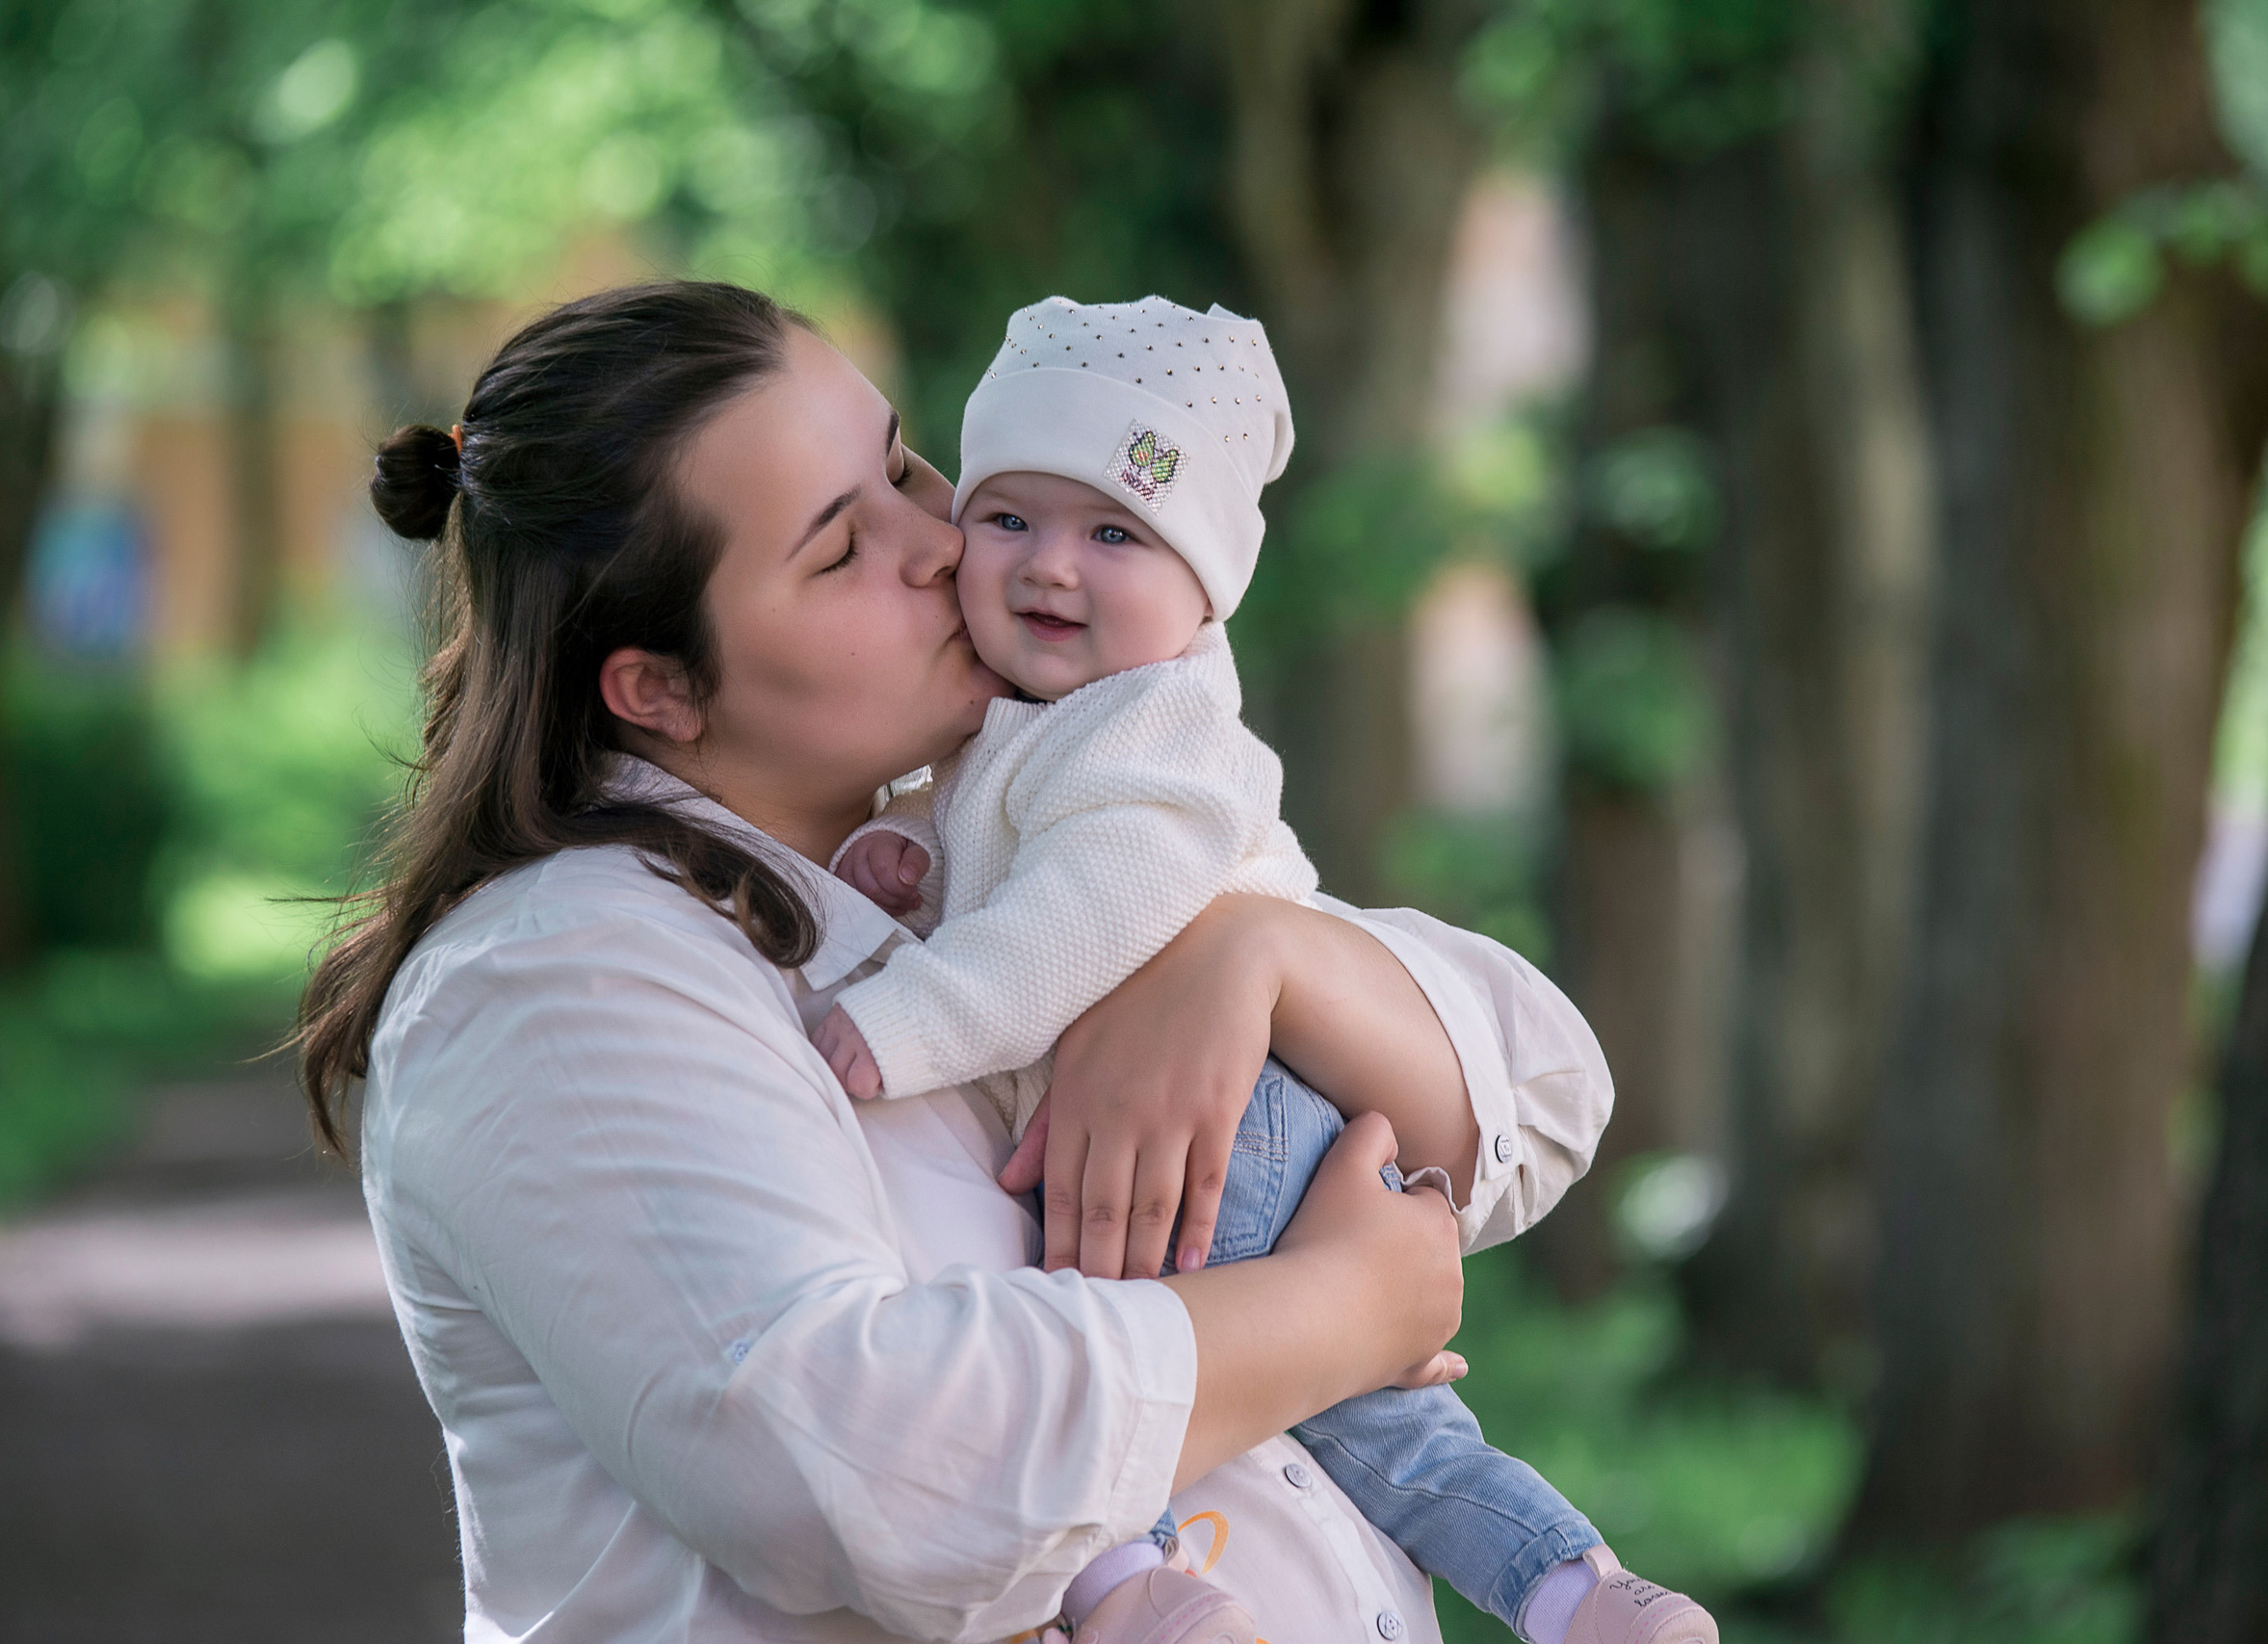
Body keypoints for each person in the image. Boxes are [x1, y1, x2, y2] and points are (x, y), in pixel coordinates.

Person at [302, 280, 1618, 1644]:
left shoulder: (994, 850)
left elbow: (1544, 1094)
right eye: (840, 549)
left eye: (902, 468)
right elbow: (856, 1463)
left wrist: (1252, 957)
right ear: (660, 689)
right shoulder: (556, 982)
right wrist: (1345, 1307)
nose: (940, 545)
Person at [811, 295, 1717, 1644]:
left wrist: (898, 1023)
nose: (1052, 566)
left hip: (1228, 1131)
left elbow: (1081, 915)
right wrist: (905, 859)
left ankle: (1145, 1593)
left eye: (1116, 532)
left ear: (1208, 584)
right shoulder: (1033, 724)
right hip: (1191, 1132)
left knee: (1101, 1349)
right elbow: (999, 862)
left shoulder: (1158, 728)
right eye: (1010, 520)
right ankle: (1576, 1592)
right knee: (1385, 1425)